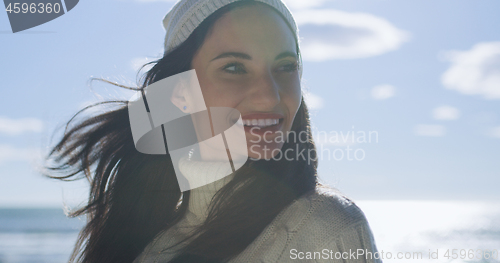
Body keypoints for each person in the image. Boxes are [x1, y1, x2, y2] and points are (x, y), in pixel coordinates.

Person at [44, 0, 382, 262]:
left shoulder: (326, 228)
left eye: (286, 66)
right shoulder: (149, 242)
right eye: (234, 67)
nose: (269, 95)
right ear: (180, 93)